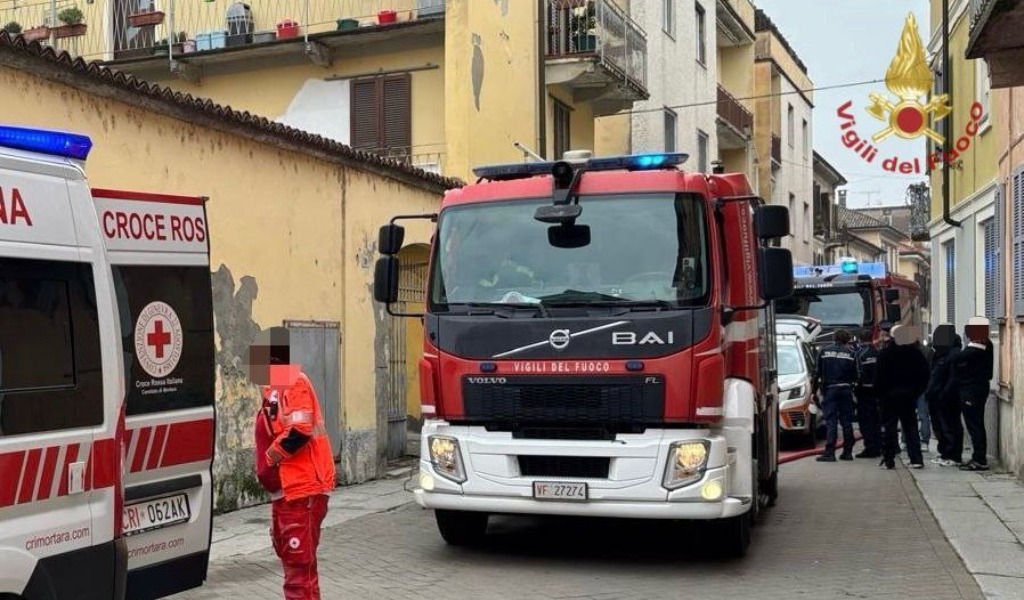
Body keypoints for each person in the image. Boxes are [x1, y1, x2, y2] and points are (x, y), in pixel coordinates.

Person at [251, 327, 337, 600]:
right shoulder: (274, 391)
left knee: (299, 570)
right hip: (289, 491)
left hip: (301, 490)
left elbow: (299, 430)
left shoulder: (292, 383)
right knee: (297, 566)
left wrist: (270, 458)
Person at [875, 325, 930, 470]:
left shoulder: (885, 354)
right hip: (909, 397)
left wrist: (880, 395)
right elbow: (925, 375)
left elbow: (878, 378)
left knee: (889, 429)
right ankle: (916, 459)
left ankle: (889, 460)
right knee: (911, 428)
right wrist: (916, 392)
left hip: (889, 398)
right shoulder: (915, 353)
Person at [954, 317, 995, 472]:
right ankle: (978, 457)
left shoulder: (979, 346)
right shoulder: (983, 345)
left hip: (972, 390)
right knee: (974, 425)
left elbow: (958, 358)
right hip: (975, 388)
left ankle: (979, 459)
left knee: (974, 425)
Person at [813, 329, 859, 462]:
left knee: (831, 421)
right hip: (846, 389)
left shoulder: (824, 351)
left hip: (830, 389)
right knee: (846, 421)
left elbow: (817, 373)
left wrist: (814, 392)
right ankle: (848, 452)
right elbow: (856, 375)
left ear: (834, 338)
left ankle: (830, 453)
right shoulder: (852, 353)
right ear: (847, 340)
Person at [925, 324, 961, 466]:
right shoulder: (938, 354)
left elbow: (953, 378)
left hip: (947, 398)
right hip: (935, 397)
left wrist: (944, 394)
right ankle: (944, 452)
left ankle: (953, 455)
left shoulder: (953, 354)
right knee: (939, 427)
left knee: (950, 427)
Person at [854, 333, 882, 459]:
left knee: (865, 421)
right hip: (877, 391)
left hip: (864, 392)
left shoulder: (860, 354)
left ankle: (870, 447)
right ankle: (878, 446)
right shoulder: (878, 353)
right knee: (876, 420)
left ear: (860, 340)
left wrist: (856, 389)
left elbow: (858, 374)